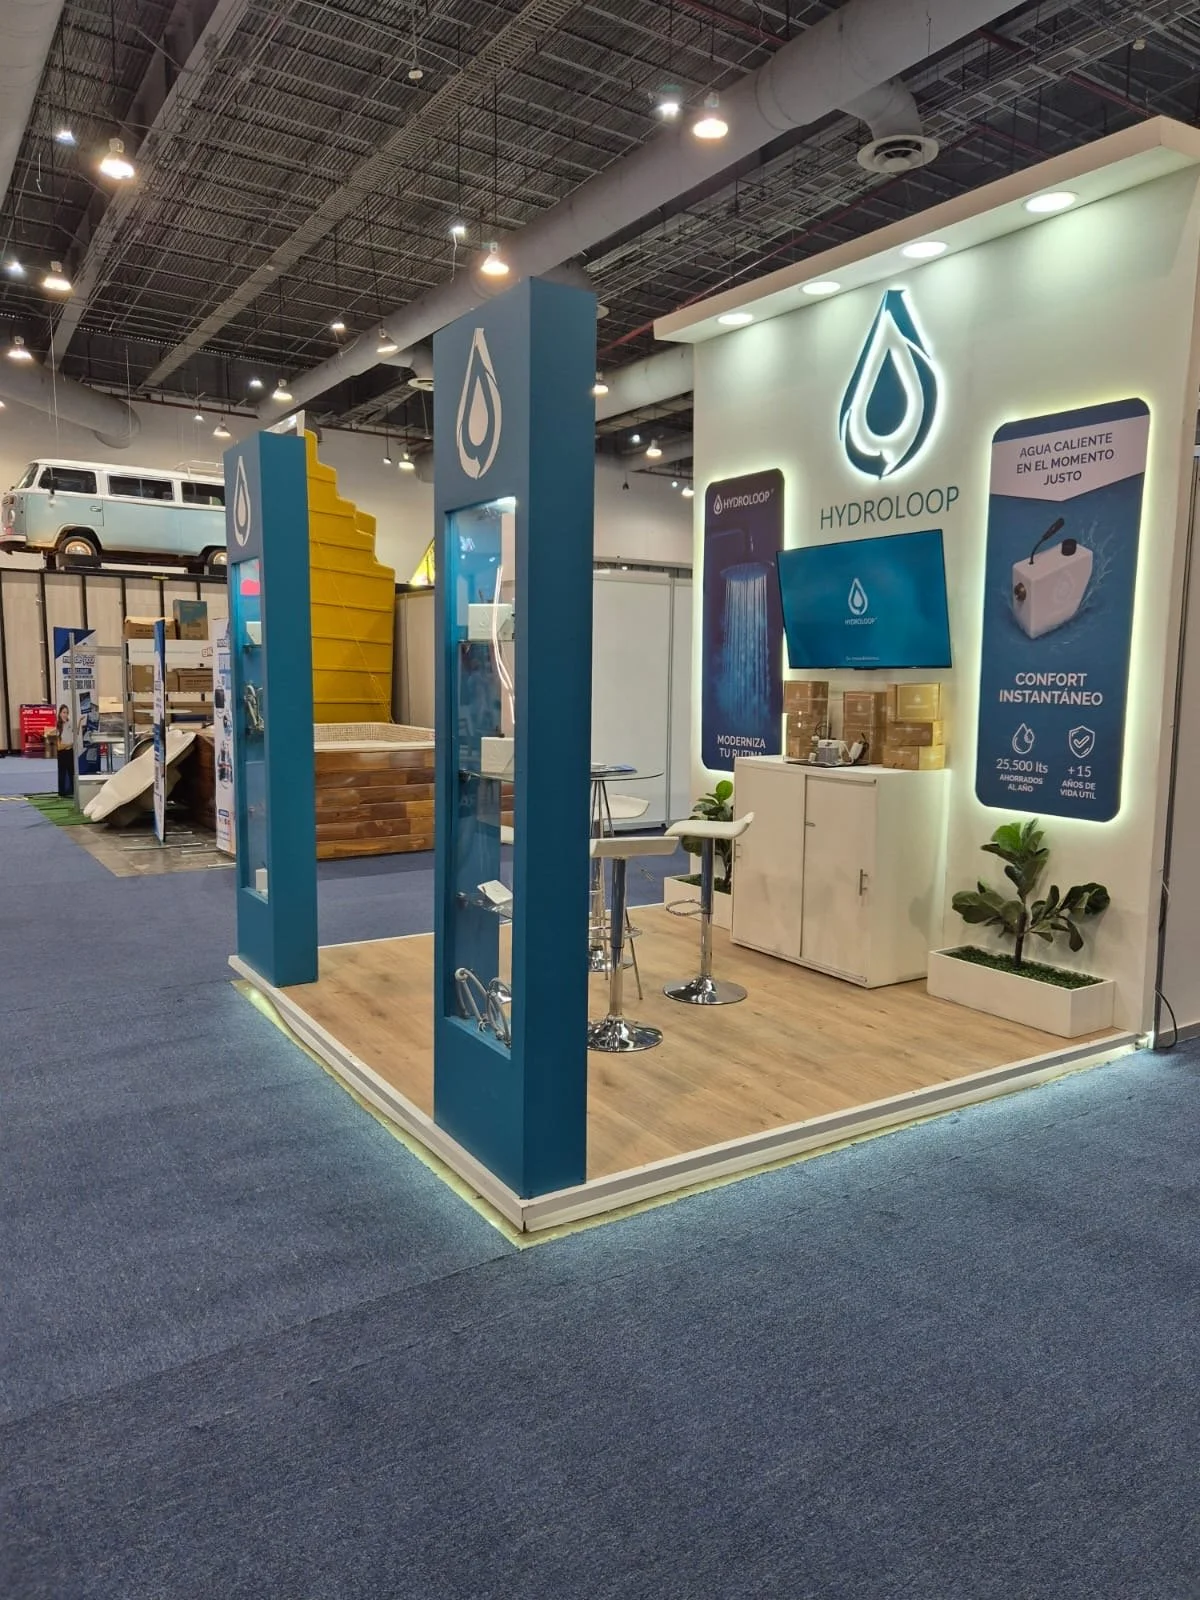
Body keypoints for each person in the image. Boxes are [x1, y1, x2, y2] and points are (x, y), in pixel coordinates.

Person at [56, 703, 75, 799]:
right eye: (63, 712)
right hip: (62, 753)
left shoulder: (70, 723)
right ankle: (62, 793)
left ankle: (74, 792)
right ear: (60, 713)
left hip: (70, 752)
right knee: (62, 773)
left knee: (72, 772)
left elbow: (75, 732)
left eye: (67, 713)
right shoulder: (58, 726)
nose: (65, 714)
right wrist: (68, 744)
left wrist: (79, 722)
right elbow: (59, 747)